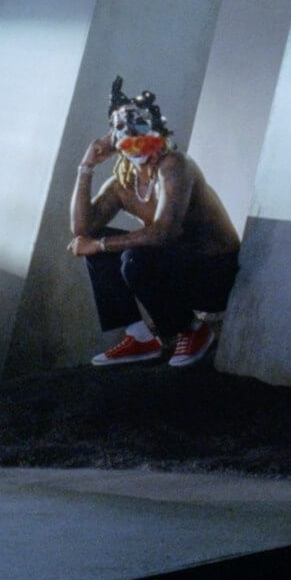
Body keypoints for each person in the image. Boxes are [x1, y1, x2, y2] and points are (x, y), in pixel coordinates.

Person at [67, 76, 242, 367]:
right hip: (179, 269)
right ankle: (139, 337)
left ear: (156, 128)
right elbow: (82, 230)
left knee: (132, 258)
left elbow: (164, 233)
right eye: (120, 127)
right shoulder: (123, 183)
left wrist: (100, 244)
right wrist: (86, 166)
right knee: (97, 245)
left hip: (215, 275)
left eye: (138, 122)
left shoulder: (175, 165)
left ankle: (193, 331)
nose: (129, 131)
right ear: (113, 139)